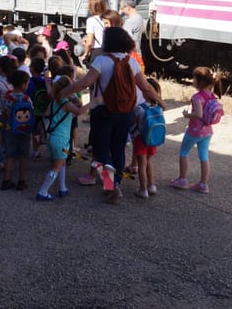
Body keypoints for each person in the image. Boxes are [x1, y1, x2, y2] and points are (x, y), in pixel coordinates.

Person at [60, 27, 165, 204]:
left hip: (103, 110)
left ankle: (110, 185)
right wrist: (160, 102)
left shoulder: (101, 60)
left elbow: (85, 83)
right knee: (118, 148)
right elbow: (146, 87)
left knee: (101, 150)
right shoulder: (132, 62)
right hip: (125, 112)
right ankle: (116, 183)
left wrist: (63, 92)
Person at [170, 67, 223, 194]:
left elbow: (198, 114)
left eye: (194, 79)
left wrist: (187, 115)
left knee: (184, 152)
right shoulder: (211, 95)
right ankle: (203, 184)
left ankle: (182, 180)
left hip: (194, 131)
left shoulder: (197, 97)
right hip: (207, 131)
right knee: (204, 156)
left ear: (200, 82)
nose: (192, 81)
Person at [37, 76, 89, 201]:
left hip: (52, 137)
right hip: (61, 139)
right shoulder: (66, 103)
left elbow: (47, 115)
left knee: (61, 162)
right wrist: (92, 102)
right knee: (57, 166)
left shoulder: (55, 101)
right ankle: (43, 191)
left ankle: (63, 187)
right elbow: (79, 111)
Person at [0, 70, 32, 191]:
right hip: (24, 131)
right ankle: (21, 181)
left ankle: (6, 180)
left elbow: (4, 113)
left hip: (10, 129)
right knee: (23, 156)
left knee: (10, 155)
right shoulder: (26, 99)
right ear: (24, 84)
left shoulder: (7, 97)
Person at [132, 78, 163, 199]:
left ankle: (143, 189)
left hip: (141, 139)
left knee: (142, 164)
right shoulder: (159, 108)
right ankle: (152, 186)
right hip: (153, 139)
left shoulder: (140, 108)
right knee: (149, 162)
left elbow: (134, 122)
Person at [82, 0, 107, 65]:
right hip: (108, 50)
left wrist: (85, 54)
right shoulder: (107, 18)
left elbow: (89, 42)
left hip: (97, 51)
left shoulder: (91, 20)